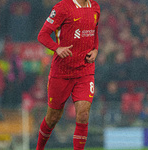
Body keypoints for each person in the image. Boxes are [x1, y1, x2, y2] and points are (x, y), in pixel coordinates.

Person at [36, 0, 100, 149]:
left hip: (85, 70)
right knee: (53, 117)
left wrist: (95, 49)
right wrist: (57, 48)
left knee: (83, 115)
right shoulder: (62, 8)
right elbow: (42, 35)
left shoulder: (95, 7)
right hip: (62, 72)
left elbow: (95, 31)